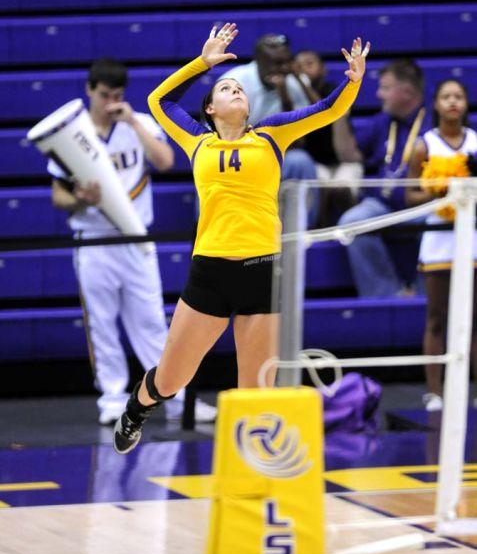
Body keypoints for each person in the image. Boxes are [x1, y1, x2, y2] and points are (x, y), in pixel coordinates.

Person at [113, 23, 369, 454]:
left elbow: (327, 109)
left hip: (262, 272)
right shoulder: (196, 141)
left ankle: (252, 480)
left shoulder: (271, 135)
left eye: (240, 89)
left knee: (256, 392)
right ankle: (136, 411)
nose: (236, 92)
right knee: (172, 379)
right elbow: (158, 101)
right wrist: (203, 63)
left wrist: (353, 79)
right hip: (209, 273)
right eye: (226, 89)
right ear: (210, 109)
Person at [48, 57, 217, 425]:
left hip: (138, 238)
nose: (111, 102)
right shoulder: (72, 135)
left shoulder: (139, 123)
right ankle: (112, 400)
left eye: (118, 95)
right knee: (102, 323)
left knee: (153, 322)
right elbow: (58, 196)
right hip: (92, 239)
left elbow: (166, 160)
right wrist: (81, 198)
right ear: (90, 90)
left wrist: (132, 124)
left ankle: (175, 399)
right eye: (105, 95)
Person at [406, 79, 477, 412]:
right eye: (446, 96)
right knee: (436, 316)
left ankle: (472, 390)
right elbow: (409, 195)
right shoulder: (425, 145)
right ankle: (433, 392)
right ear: (436, 103)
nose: (453, 102)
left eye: (458, 96)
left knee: (473, 317)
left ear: (465, 103)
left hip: (471, 234)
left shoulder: (476, 143)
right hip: (437, 236)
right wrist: (441, 192)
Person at [337, 58, 432, 297]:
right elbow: (349, 156)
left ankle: (426, 297)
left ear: (407, 92)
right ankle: (385, 298)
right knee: (351, 221)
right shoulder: (382, 121)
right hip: (382, 205)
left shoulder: (434, 123)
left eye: (386, 88)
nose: (379, 94)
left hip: (424, 207)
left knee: (439, 224)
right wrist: (338, 117)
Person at [226, 33, 319, 225]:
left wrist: (285, 97)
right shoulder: (234, 84)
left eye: (287, 62)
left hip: (276, 154)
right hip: (236, 153)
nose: (284, 68)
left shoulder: (294, 83)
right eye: (277, 63)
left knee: (301, 161)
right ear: (258, 62)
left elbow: (299, 141)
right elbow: (222, 138)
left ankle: (301, 232)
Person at [293, 49, 363, 225]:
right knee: (319, 188)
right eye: (298, 67)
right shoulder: (294, 96)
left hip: (343, 160)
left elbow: (325, 111)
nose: (303, 70)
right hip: (316, 162)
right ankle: (319, 236)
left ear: (323, 69)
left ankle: (352, 229)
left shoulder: (334, 89)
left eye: (309, 64)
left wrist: (303, 84)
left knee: (342, 188)